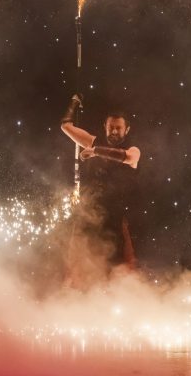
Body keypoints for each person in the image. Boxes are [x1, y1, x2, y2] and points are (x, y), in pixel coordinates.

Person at [60, 94, 141, 270]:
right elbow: (66, 126)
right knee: (81, 269)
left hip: (115, 222)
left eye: (118, 128)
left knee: (117, 271)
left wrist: (95, 151)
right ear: (105, 127)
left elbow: (129, 158)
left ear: (126, 130)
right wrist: (74, 102)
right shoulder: (92, 142)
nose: (114, 131)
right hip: (89, 217)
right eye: (111, 127)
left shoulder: (133, 149)